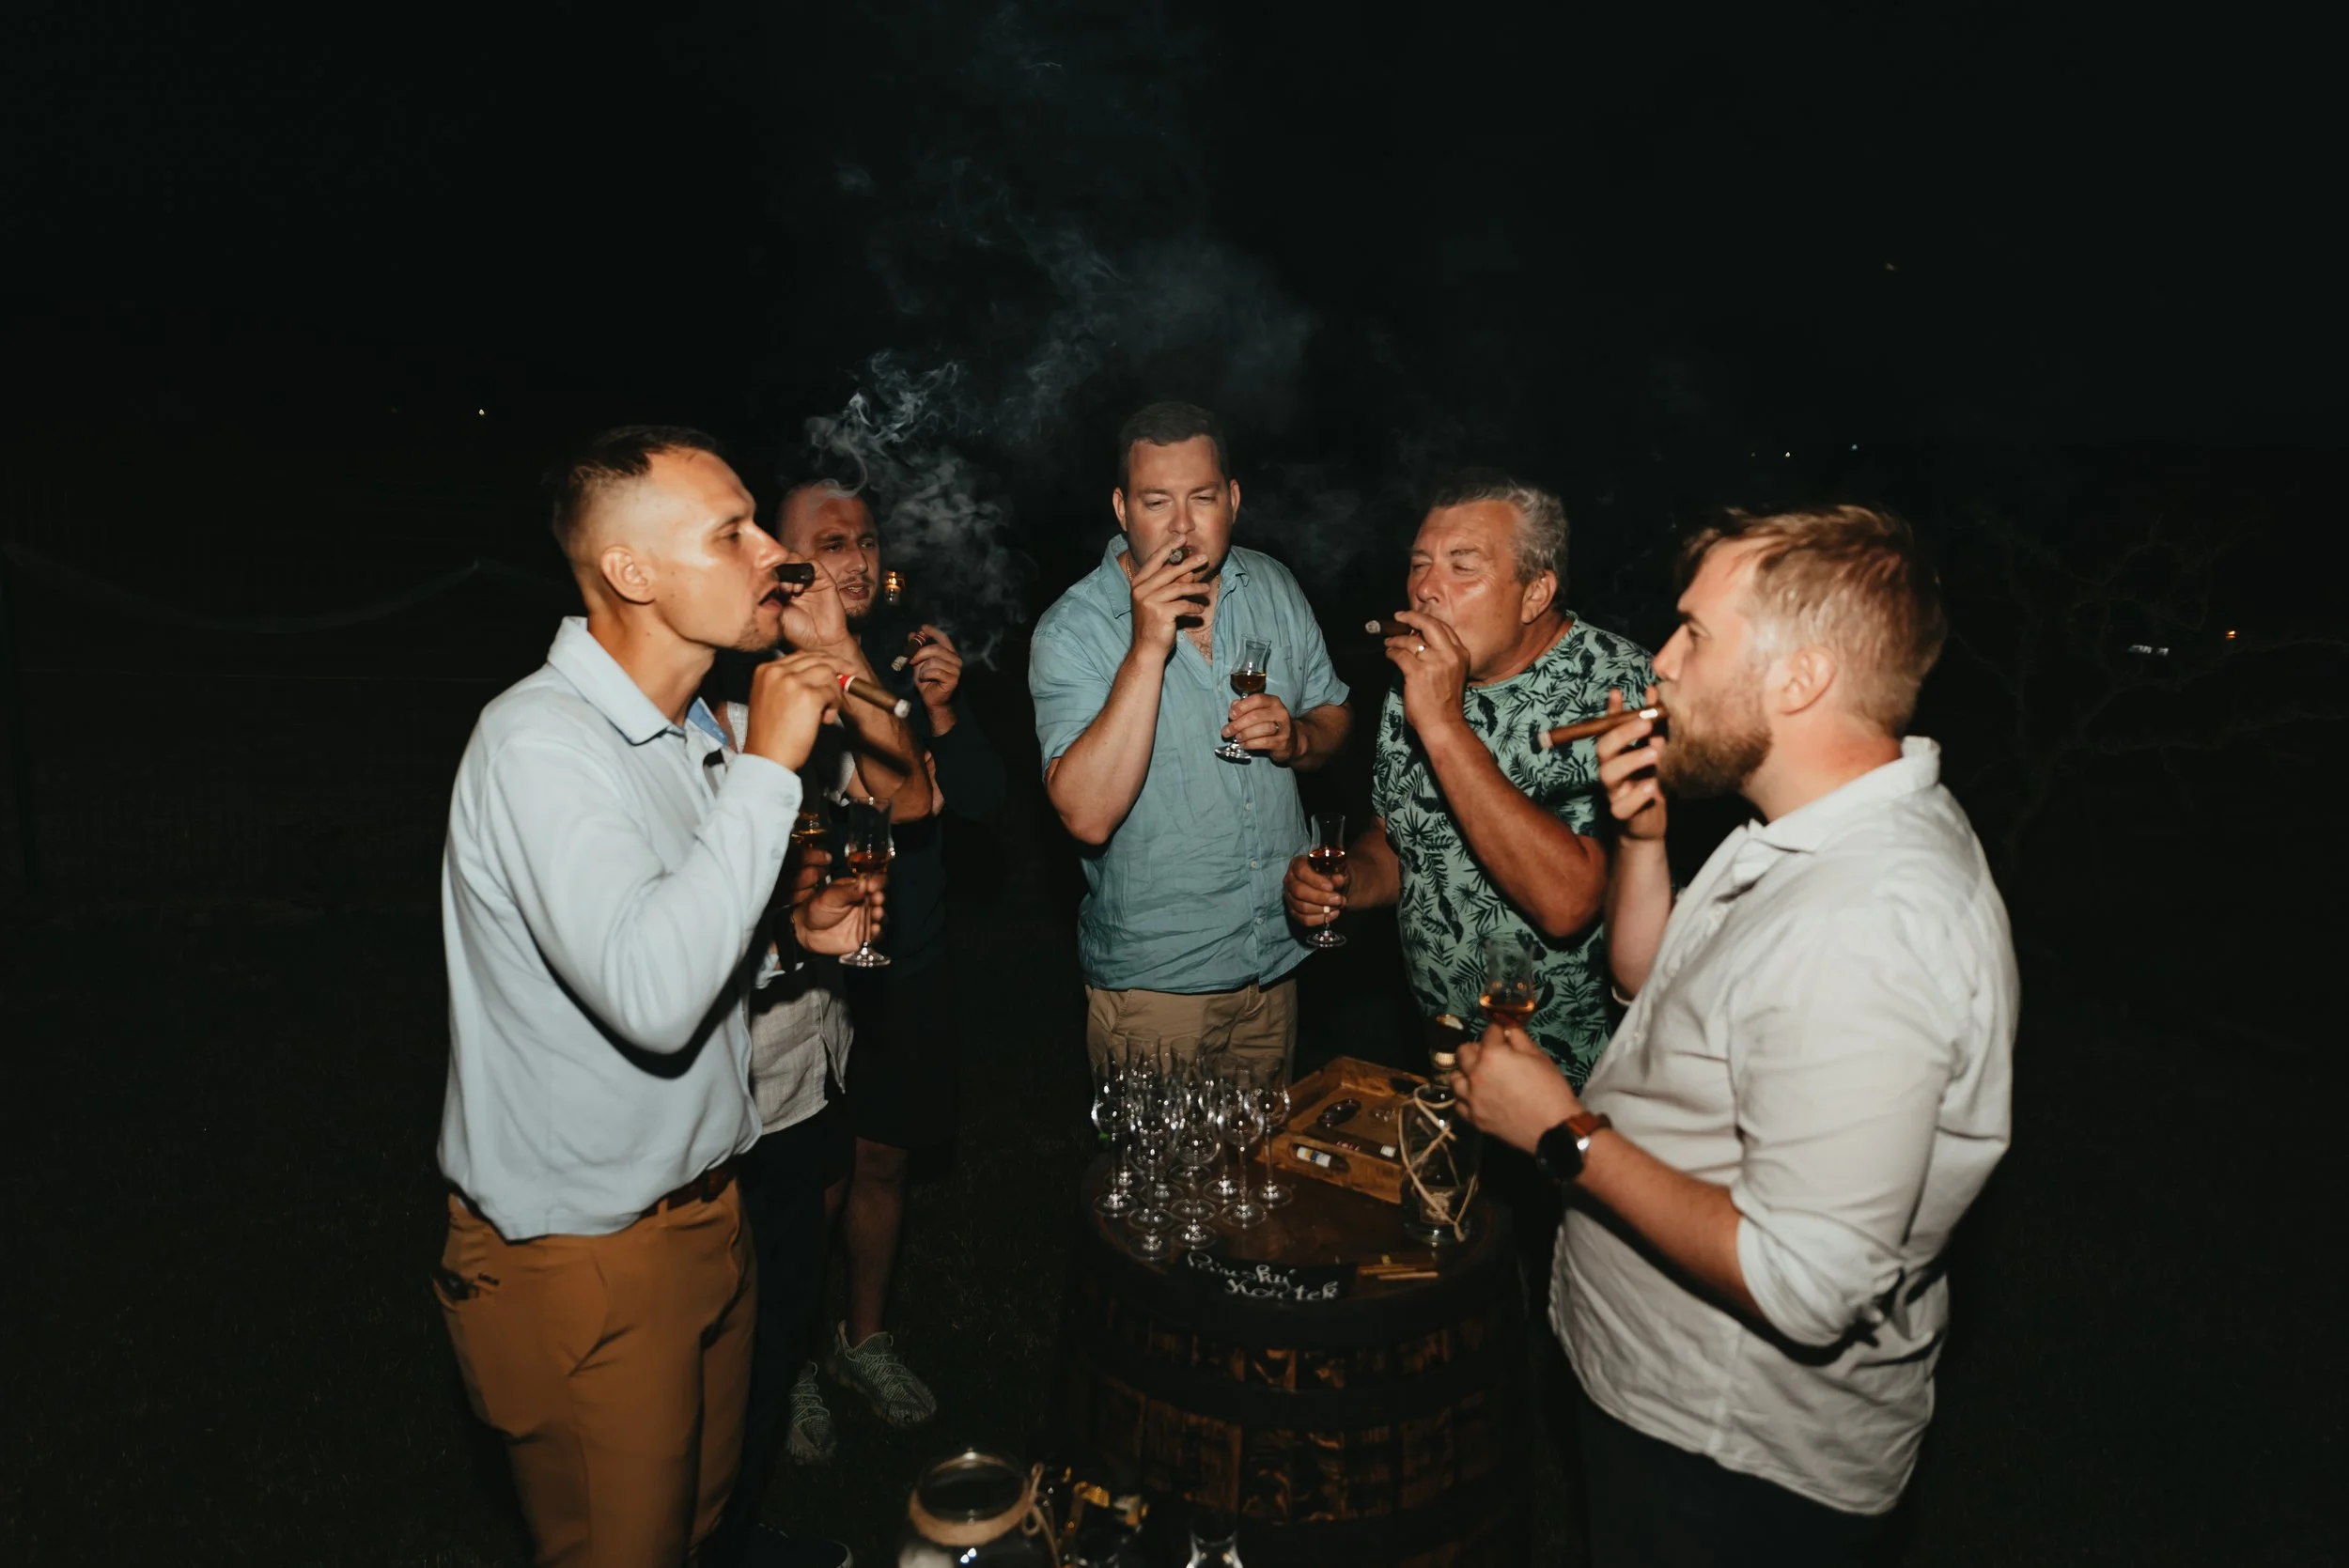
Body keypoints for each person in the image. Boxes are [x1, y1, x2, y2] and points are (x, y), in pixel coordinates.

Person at [1450, 505, 2018, 1564]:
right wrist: (1644, 837)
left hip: (1730, 1463)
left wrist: (1561, 1133)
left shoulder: (1869, 925)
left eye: (1695, 635)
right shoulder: (1799, 830)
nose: (1659, 664)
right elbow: (1650, 985)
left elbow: (1806, 1283)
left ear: (1798, 679)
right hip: (1654, 1401)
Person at [434, 427, 877, 1567]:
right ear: (629, 573)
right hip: (584, 1257)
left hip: (704, 1217)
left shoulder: (677, 732)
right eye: (731, 532)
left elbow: (661, 934)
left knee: (697, 1533)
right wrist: (774, 767)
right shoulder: (537, 742)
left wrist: (787, 945)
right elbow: (649, 995)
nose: (776, 553)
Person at [770, 474, 1008, 1447]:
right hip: (809, 977)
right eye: (830, 544)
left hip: (907, 961)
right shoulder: (774, 676)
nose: (857, 559)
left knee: (883, 1160)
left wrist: (945, 714)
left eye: (865, 540)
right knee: (808, 1177)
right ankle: (783, 1365)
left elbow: (983, 803)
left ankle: (862, 1338)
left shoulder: (904, 671)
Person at [1282, 471, 1652, 1086]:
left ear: (1535, 593)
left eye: (1462, 567)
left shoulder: (1614, 687)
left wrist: (1444, 724)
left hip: (1585, 1083)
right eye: (1420, 563)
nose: (1425, 587)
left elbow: (1568, 902)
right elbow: (1402, 841)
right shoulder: (1418, 679)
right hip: (1448, 1058)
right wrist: (1347, 880)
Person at [1030, 401, 1351, 1078]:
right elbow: (1085, 816)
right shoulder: (1073, 629)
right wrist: (1147, 646)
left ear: (1232, 499)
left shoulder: (1273, 584)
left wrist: (1296, 738)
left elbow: (1334, 714)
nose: (1181, 524)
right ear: (1122, 509)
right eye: (1156, 501)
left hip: (1276, 964)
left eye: (1202, 498)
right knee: (1157, 1185)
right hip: (1157, 984)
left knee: (1258, 1177)